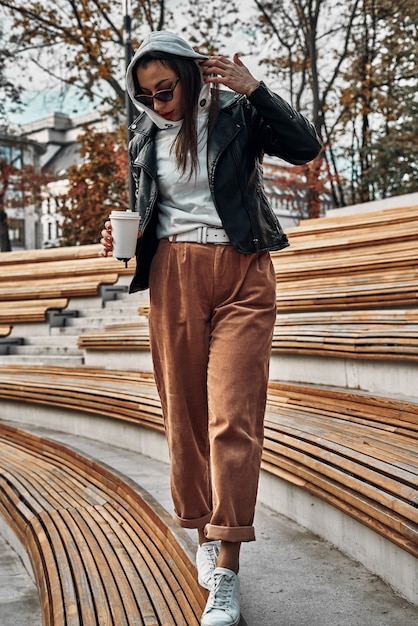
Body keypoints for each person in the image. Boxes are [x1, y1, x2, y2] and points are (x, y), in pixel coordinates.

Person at [101, 30, 321, 626]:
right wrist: (121, 239)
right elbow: (145, 208)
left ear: (191, 75)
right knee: (185, 414)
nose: (157, 104)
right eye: (145, 97)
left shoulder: (238, 113)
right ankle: (200, 528)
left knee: (233, 417)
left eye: (166, 90)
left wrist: (257, 89)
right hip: (174, 273)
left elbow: (305, 148)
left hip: (243, 270)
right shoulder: (145, 131)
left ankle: (226, 565)